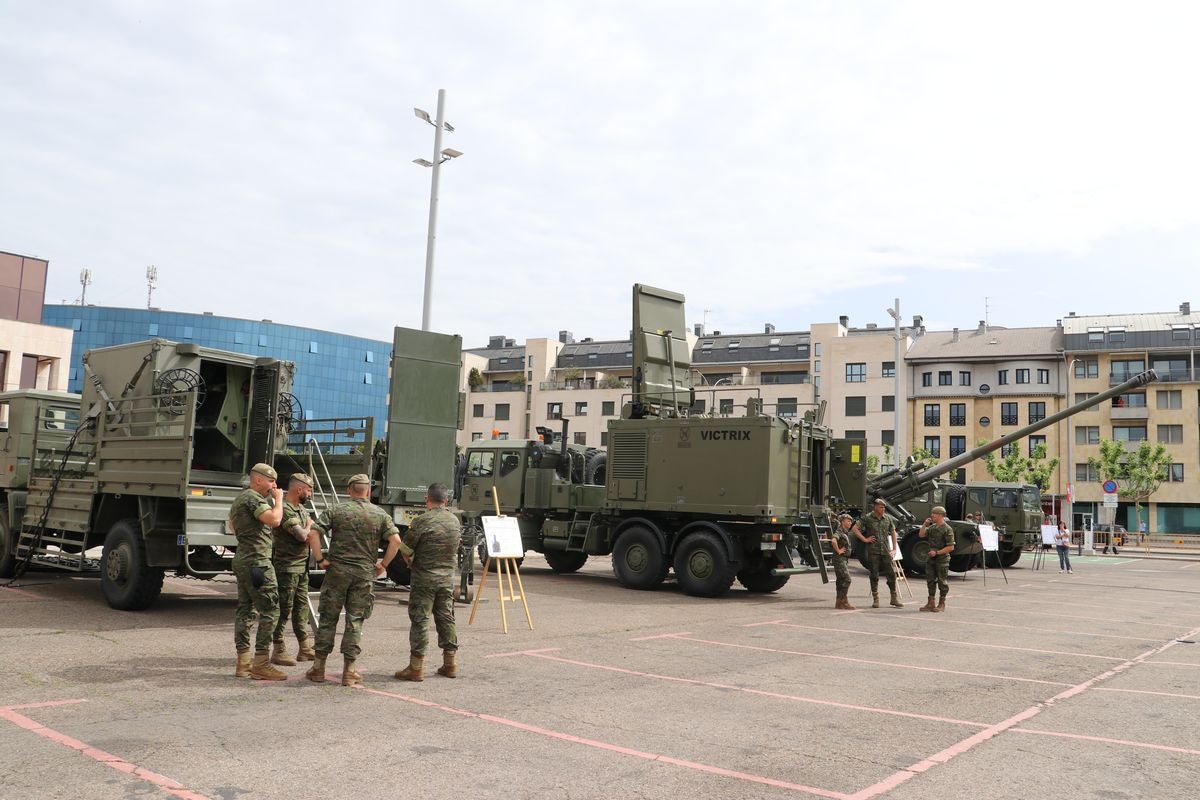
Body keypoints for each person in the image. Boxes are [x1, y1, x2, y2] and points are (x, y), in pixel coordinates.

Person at [305, 474, 403, 687]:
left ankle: (318, 668)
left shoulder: (337, 510)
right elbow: (396, 541)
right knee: (355, 621)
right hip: (363, 574)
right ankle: (349, 671)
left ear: (349, 490)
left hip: (337, 573)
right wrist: (383, 565)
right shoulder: (380, 514)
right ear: (367, 492)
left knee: (328, 618)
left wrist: (320, 559)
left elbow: (313, 534)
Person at [395, 482, 462, 681]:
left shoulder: (421, 521)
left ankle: (416, 668)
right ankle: (450, 664)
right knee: (446, 617)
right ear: (446, 500)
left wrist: (411, 562)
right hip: (446, 579)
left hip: (424, 579)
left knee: (420, 619)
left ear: (427, 499)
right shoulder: (454, 521)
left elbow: (405, 550)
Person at [228, 463, 286, 680]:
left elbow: (233, 525)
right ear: (258, 479)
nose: (274, 485)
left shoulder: (241, 499)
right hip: (257, 562)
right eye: (271, 481)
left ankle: (243, 663)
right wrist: (279, 500)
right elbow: (275, 520)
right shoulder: (252, 498)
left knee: (246, 610)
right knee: (270, 611)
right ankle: (261, 663)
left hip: (244, 558)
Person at [270, 473, 318, 666]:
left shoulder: (301, 509)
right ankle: (278, 648)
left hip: (301, 567)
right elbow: (302, 536)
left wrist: (309, 528)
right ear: (299, 489)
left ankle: (304, 648)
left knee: (301, 609)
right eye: (309, 490)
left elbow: (313, 533)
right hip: (287, 567)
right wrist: (308, 525)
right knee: (283, 608)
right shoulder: (287, 510)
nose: (310, 494)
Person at [851, 498, 903, 609]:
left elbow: (893, 532)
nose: (883, 509)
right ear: (875, 507)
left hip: (885, 551)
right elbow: (855, 529)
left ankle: (894, 598)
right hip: (873, 551)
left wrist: (894, 548)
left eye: (884, 507)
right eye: (881, 507)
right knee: (874, 575)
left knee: (891, 574)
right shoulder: (868, 518)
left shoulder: (887, 518)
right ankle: (876, 599)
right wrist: (865, 539)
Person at [918, 506, 955, 612]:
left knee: (942, 582)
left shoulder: (947, 529)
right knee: (930, 581)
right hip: (931, 559)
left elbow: (951, 547)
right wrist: (925, 525)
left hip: (942, 560)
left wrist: (937, 552)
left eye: (934, 513)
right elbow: (921, 535)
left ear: (940, 515)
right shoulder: (932, 527)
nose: (932, 515)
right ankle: (931, 602)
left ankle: (941, 604)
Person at [831, 513, 856, 610]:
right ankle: (844, 602)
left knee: (841, 581)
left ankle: (839, 603)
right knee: (847, 579)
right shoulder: (839, 532)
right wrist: (838, 550)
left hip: (843, 559)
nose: (850, 523)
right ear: (842, 522)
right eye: (848, 521)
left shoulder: (844, 532)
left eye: (851, 521)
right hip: (839, 559)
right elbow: (833, 540)